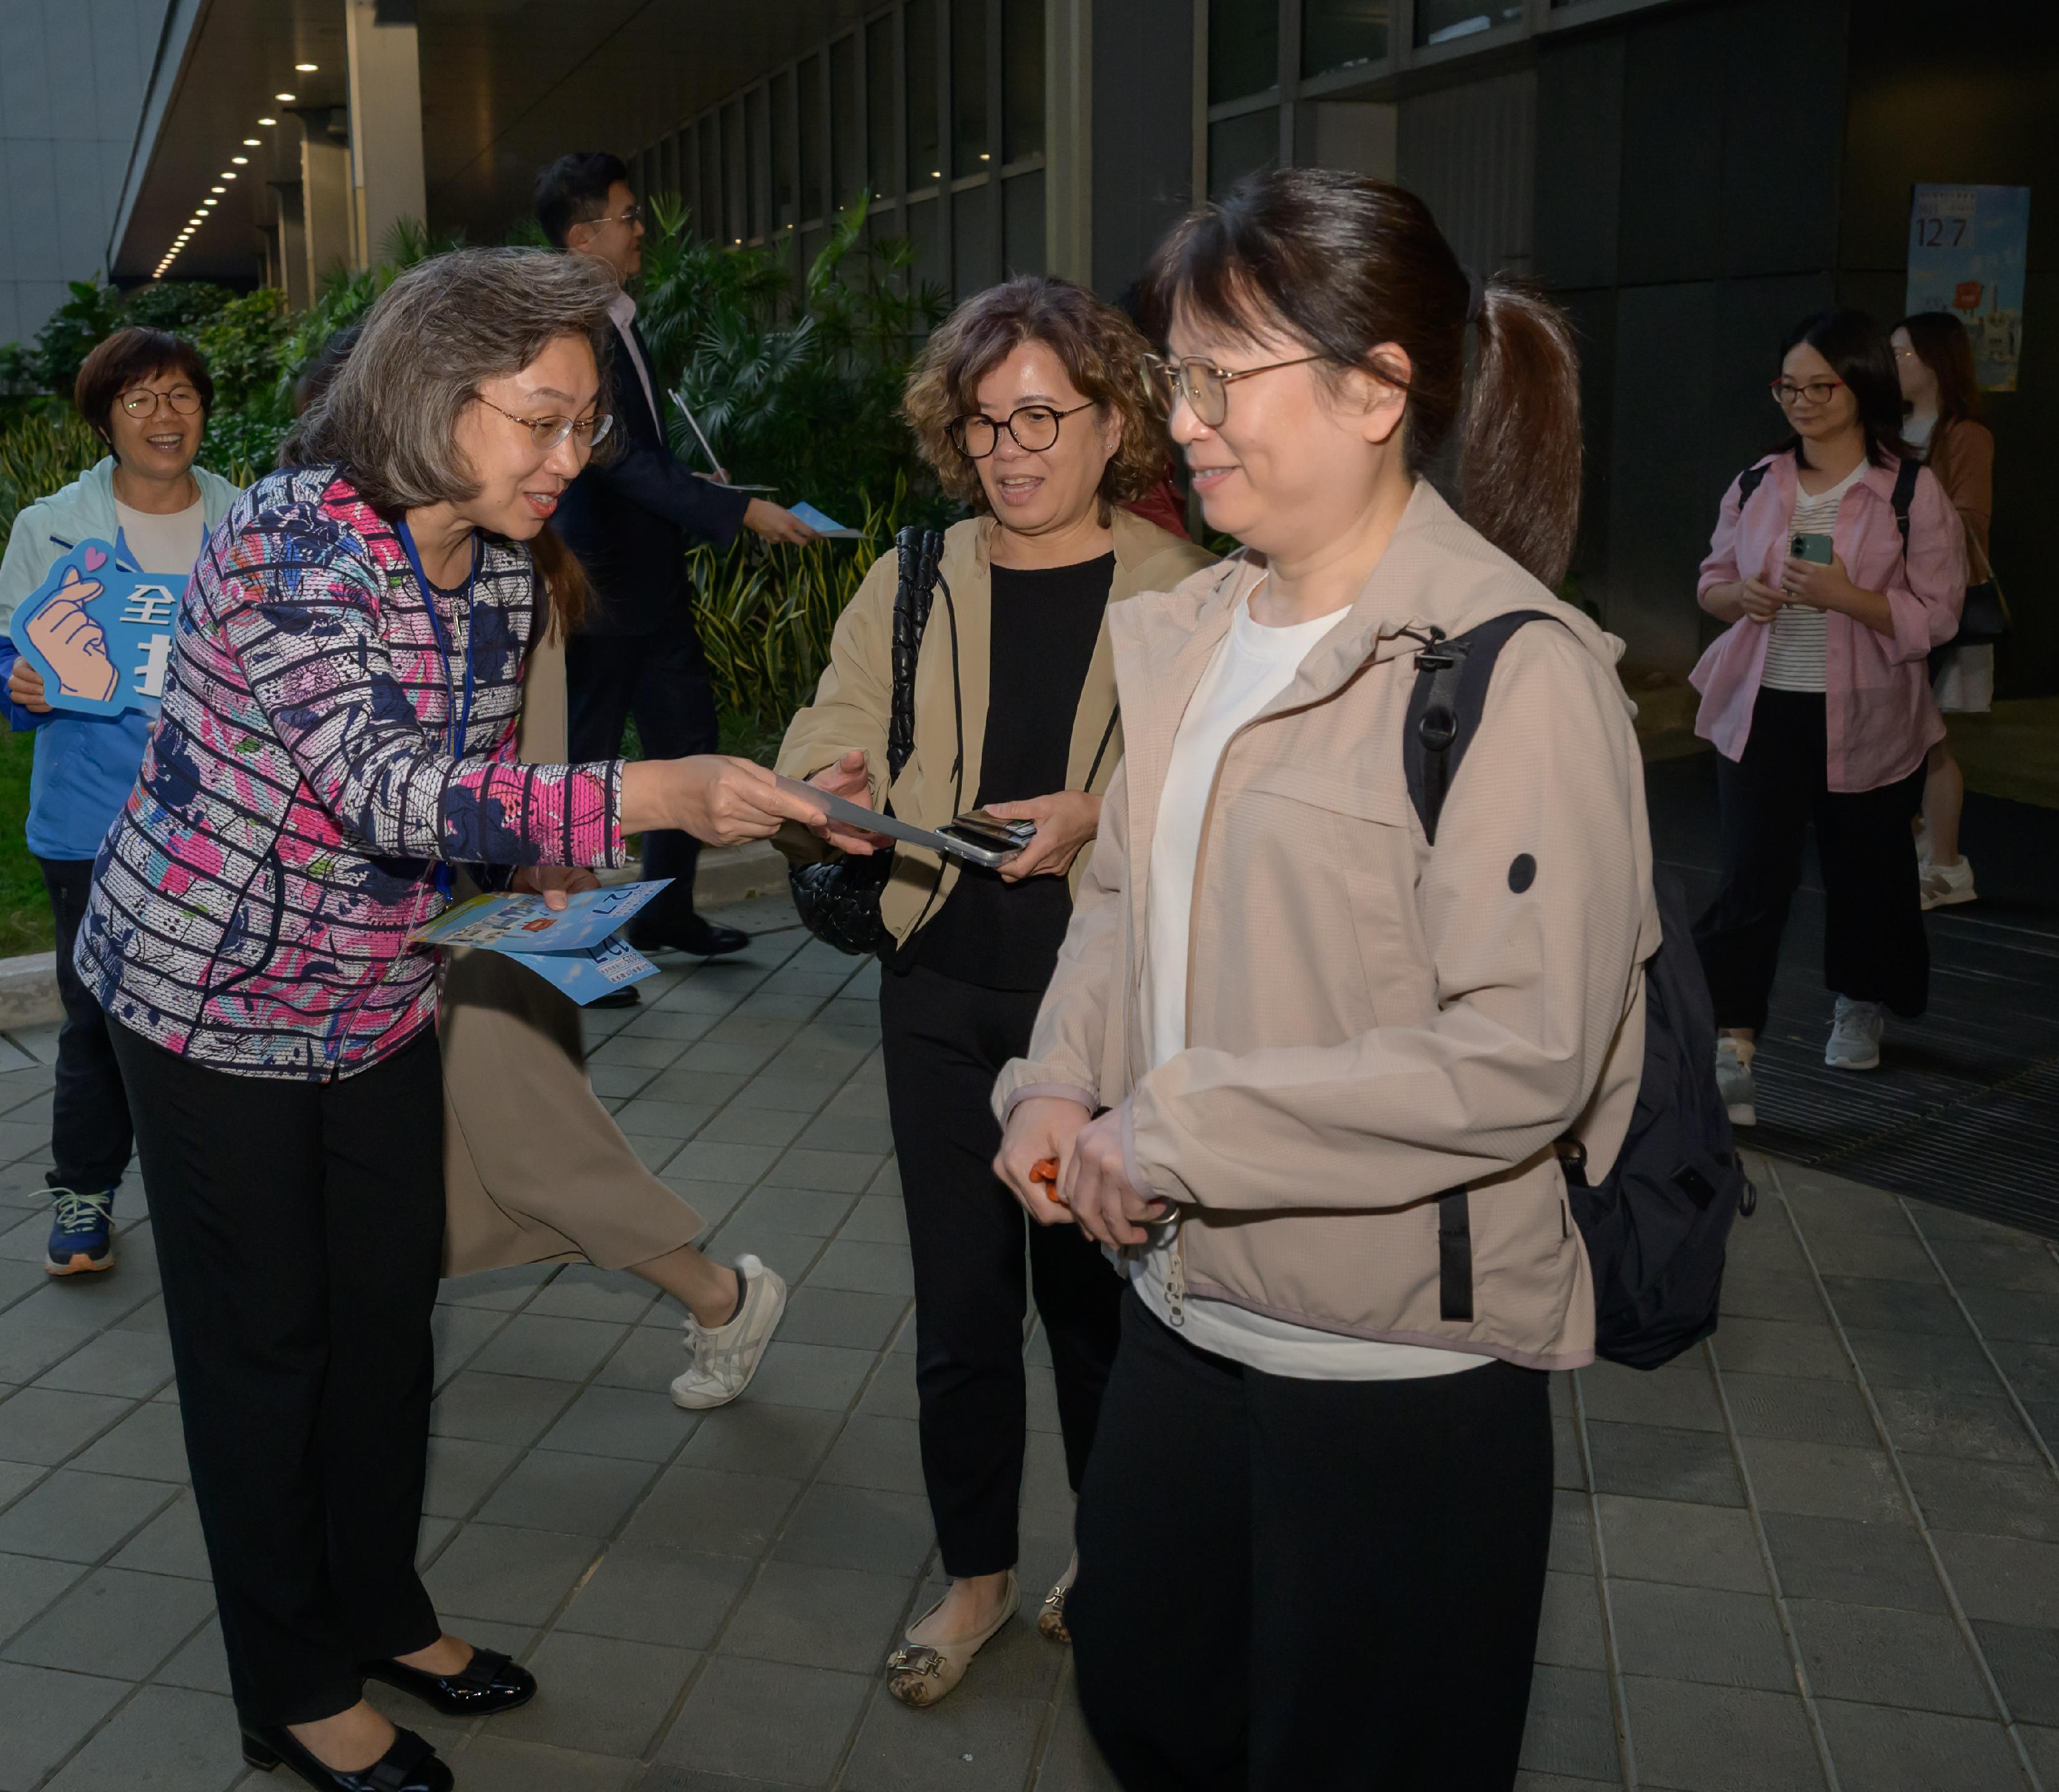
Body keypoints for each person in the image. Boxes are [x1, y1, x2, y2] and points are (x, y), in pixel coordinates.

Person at [74, 247, 826, 1792]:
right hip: (208, 1003)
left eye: (583, 427)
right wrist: (652, 790)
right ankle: (291, 1688)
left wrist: (546, 855)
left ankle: (377, 1607)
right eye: (542, 419)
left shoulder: (490, 560)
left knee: (382, 1324)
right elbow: (379, 784)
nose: (570, 458)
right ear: (431, 393)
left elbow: (469, 786)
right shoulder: (291, 540)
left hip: (375, 994)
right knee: (265, 1349)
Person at [990, 168, 1655, 1790]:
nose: (1183, 420)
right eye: (1178, 374)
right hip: (1180, 1310)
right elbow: (1123, 896)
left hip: (1391, 1371)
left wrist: (1178, 1129)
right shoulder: (1196, 631)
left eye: (1223, 377)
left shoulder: (1513, 671)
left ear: (1375, 390)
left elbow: (1524, 1052)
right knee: (1148, 1702)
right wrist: (1059, 1078)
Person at [775, 275, 1211, 1707]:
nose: (1009, 449)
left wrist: (1097, 816)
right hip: (939, 991)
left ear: (1111, 423)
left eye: (1040, 417)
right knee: (960, 1314)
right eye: (982, 421)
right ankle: (976, 1574)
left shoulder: (1188, 591)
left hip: (1101, 1011)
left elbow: (1217, 796)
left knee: (1095, 1311)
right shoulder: (913, 579)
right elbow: (825, 728)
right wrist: (825, 785)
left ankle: (1107, 1552)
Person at [290, 319, 792, 1410]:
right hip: (401, 945)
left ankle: (721, 1297)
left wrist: (554, 874)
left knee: (529, 1153)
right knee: (460, 1166)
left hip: (476, 934)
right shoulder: (344, 569)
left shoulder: (505, 584)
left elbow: (526, 785)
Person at [0, 327, 240, 1278]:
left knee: (221, 1015)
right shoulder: (54, 526)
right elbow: (0, 652)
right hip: (90, 822)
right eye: (139, 399)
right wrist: (19, 682)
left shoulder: (246, 520)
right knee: (96, 1018)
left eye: (182, 395)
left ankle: (223, 1202)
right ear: (105, 420)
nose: (164, 417)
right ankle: (84, 1194)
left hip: (224, 822)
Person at [537, 150, 821, 973]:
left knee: (687, 735)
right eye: (628, 217)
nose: (641, 231)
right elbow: (612, 455)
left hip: (653, 580)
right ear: (583, 235)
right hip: (598, 583)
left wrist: (698, 487)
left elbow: (641, 454)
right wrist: (738, 511)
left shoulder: (617, 316)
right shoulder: (574, 327)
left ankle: (665, 913)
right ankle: (579, 948)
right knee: (584, 768)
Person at [1692, 309, 1968, 1126]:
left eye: (1823, 386)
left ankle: (1860, 1001)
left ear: (1861, 386)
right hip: (1760, 711)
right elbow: (1711, 580)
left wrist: (1850, 597)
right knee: (1751, 881)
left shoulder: (1910, 490)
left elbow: (1939, 615)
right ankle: (1731, 1049)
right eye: (1790, 387)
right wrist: (1740, 596)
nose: (1803, 402)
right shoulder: (1757, 481)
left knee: (1867, 875)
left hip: (1872, 717)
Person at [1894, 309, 1996, 909]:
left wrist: (1901, 524)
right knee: (1904, 732)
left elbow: (1971, 522)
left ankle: (1947, 866)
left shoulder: (1964, 434)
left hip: (1938, 603)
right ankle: (1923, 849)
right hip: (1893, 602)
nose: (1892, 364)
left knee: (1927, 737)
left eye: (1902, 353)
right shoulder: (1894, 427)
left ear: (1936, 361)